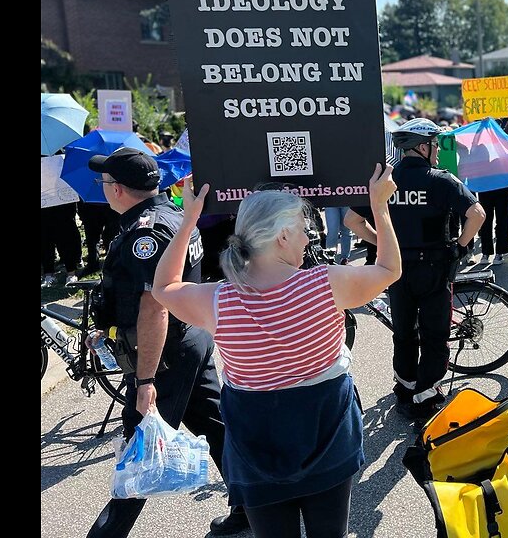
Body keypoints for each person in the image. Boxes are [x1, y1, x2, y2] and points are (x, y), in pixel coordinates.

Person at [150, 166, 401, 538]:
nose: (307, 239)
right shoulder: (327, 283)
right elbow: (389, 268)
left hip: (255, 440)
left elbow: (164, 287)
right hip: (327, 429)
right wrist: (379, 207)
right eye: (304, 230)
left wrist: (188, 220)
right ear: (283, 235)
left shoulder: (218, 300)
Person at [84, 147, 248, 537]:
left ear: (119, 189)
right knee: (219, 428)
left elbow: (153, 308)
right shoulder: (174, 213)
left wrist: (145, 382)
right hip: (189, 340)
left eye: (104, 183)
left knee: (138, 455)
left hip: (166, 354)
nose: (102, 189)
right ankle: (251, 507)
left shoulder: (147, 230)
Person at [345, 118, 486, 420]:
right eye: (435, 145)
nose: (436, 151)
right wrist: (459, 247)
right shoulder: (441, 180)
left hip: (396, 269)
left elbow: (351, 222)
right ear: (423, 147)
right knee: (435, 335)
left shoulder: (385, 181)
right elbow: (477, 213)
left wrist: (383, 241)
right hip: (435, 270)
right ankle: (426, 396)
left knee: (404, 332)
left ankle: (406, 388)